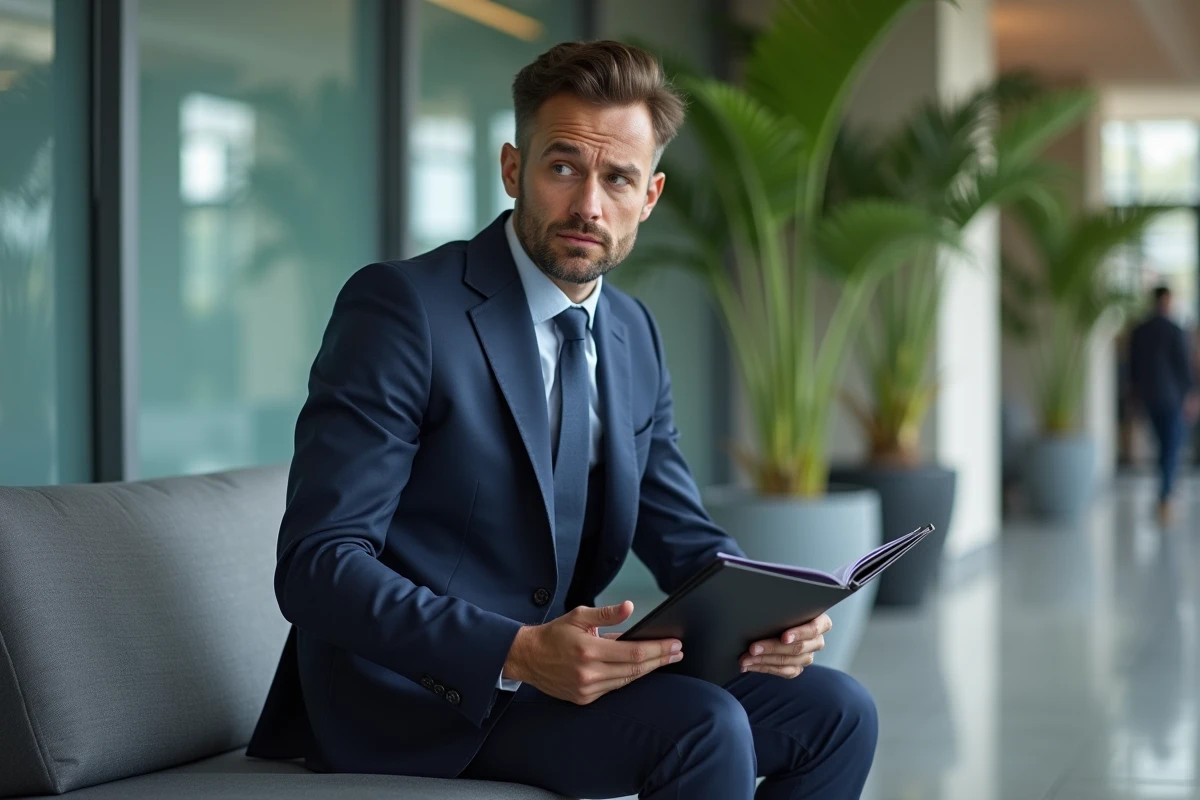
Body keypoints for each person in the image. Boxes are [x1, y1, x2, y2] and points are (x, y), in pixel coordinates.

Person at [245, 40, 877, 800]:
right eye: (563, 167)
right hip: (415, 696)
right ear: (514, 169)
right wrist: (513, 651)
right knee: (703, 726)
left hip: (555, 675)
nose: (588, 206)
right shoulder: (403, 309)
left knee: (841, 712)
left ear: (651, 195)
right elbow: (317, 565)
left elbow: (681, 533)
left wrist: (771, 613)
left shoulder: (633, 334)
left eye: (618, 179)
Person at [1128, 285, 1198, 524]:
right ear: (1166, 301)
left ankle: (1164, 494)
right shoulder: (1174, 330)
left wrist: (1135, 395)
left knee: (1163, 445)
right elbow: (1183, 366)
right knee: (1171, 447)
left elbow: (1133, 367)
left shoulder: (1140, 330)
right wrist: (1191, 394)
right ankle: (1165, 497)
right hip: (1171, 398)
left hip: (1149, 396)